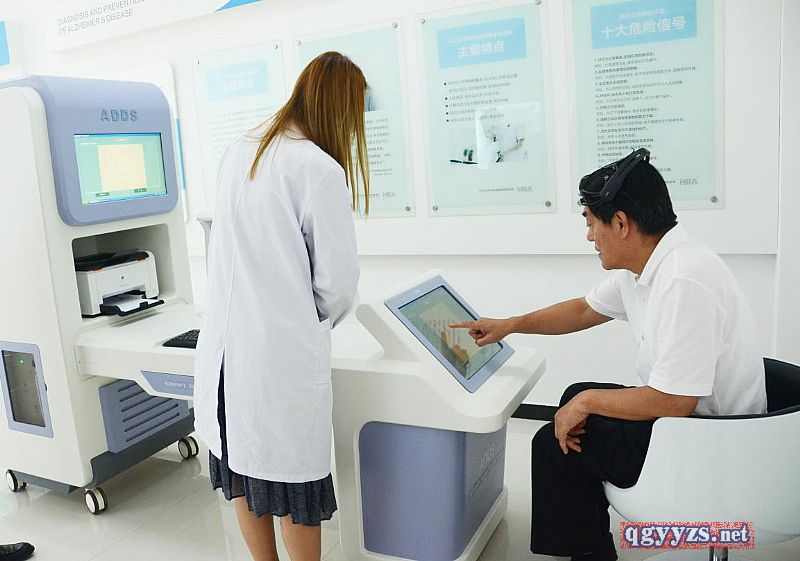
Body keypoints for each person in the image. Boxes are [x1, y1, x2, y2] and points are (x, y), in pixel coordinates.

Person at [452, 148, 767, 561]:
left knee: (554, 445)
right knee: (574, 396)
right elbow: (583, 310)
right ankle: (592, 542)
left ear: (620, 223)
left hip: (713, 442)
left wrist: (587, 403)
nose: (589, 237)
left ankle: (590, 554)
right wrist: (510, 324)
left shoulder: (683, 280)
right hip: (692, 421)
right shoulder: (651, 266)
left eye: (590, 223)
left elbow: (675, 402)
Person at [193, 51, 369, 561]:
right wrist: (304, 317)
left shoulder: (240, 150)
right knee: (294, 487)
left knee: (243, 468)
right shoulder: (318, 168)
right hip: (280, 357)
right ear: (340, 108)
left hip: (227, 351)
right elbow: (337, 286)